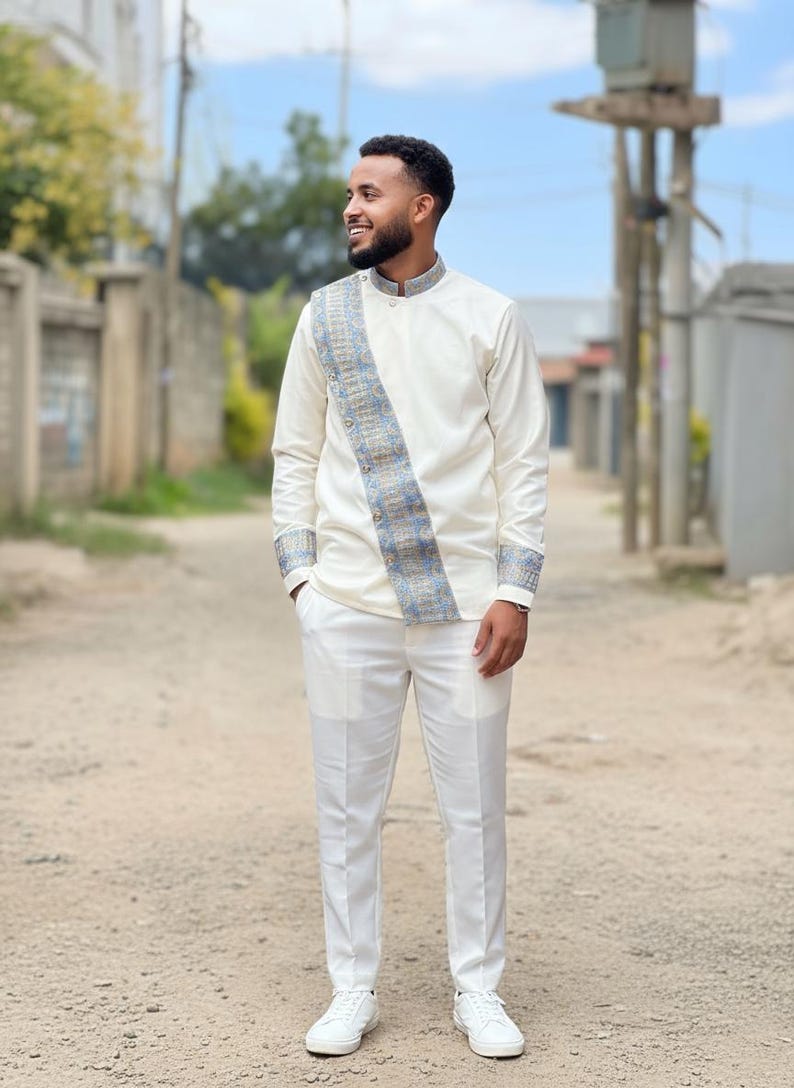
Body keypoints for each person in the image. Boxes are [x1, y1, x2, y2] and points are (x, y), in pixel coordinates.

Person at [271, 135, 549, 1060]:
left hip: (466, 611)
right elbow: (295, 453)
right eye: (351, 194)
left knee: (473, 808)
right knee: (347, 808)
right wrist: (303, 580)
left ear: (421, 206)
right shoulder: (325, 316)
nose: (351, 209)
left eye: (369, 193)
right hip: (345, 604)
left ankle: (480, 990)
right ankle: (351, 987)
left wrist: (514, 590)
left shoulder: (490, 317)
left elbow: (522, 463)